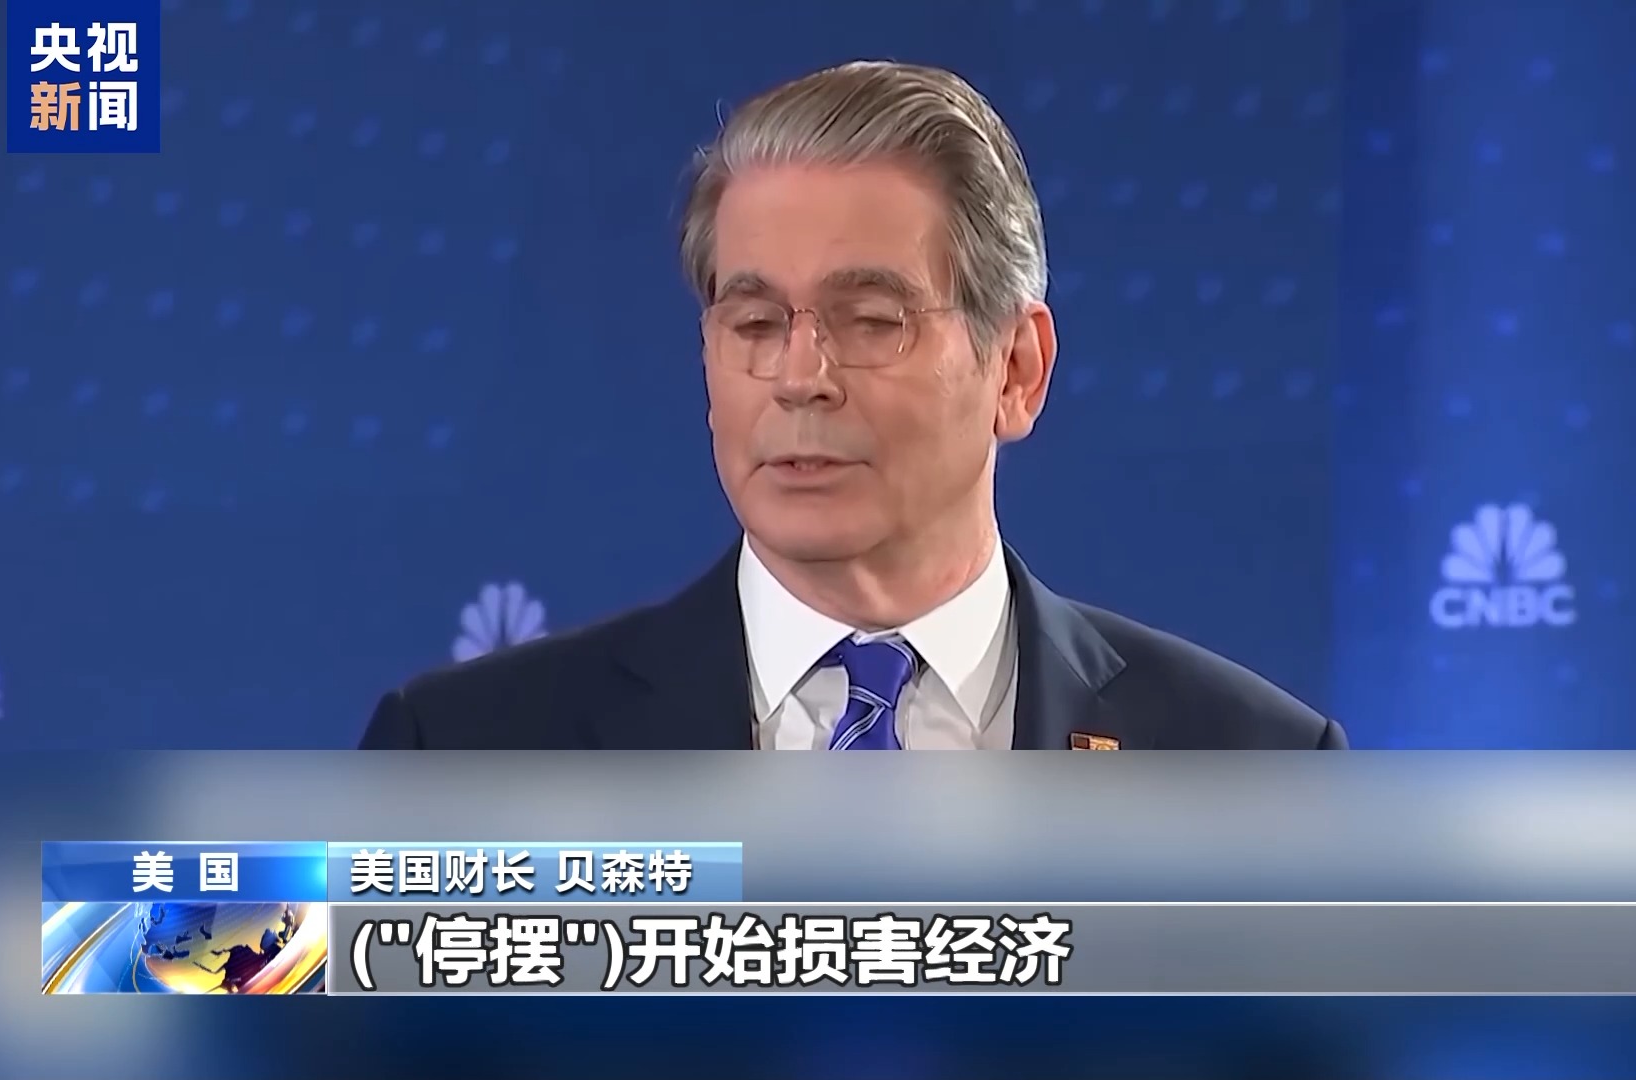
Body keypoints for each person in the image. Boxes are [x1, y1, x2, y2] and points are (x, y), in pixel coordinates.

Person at [360, 60, 1346, 751]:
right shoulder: (458, 753)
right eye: (754, 324)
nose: (801, 376)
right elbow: (273, 975)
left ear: (1016, 369)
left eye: (871, 321)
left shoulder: (1251, 771)